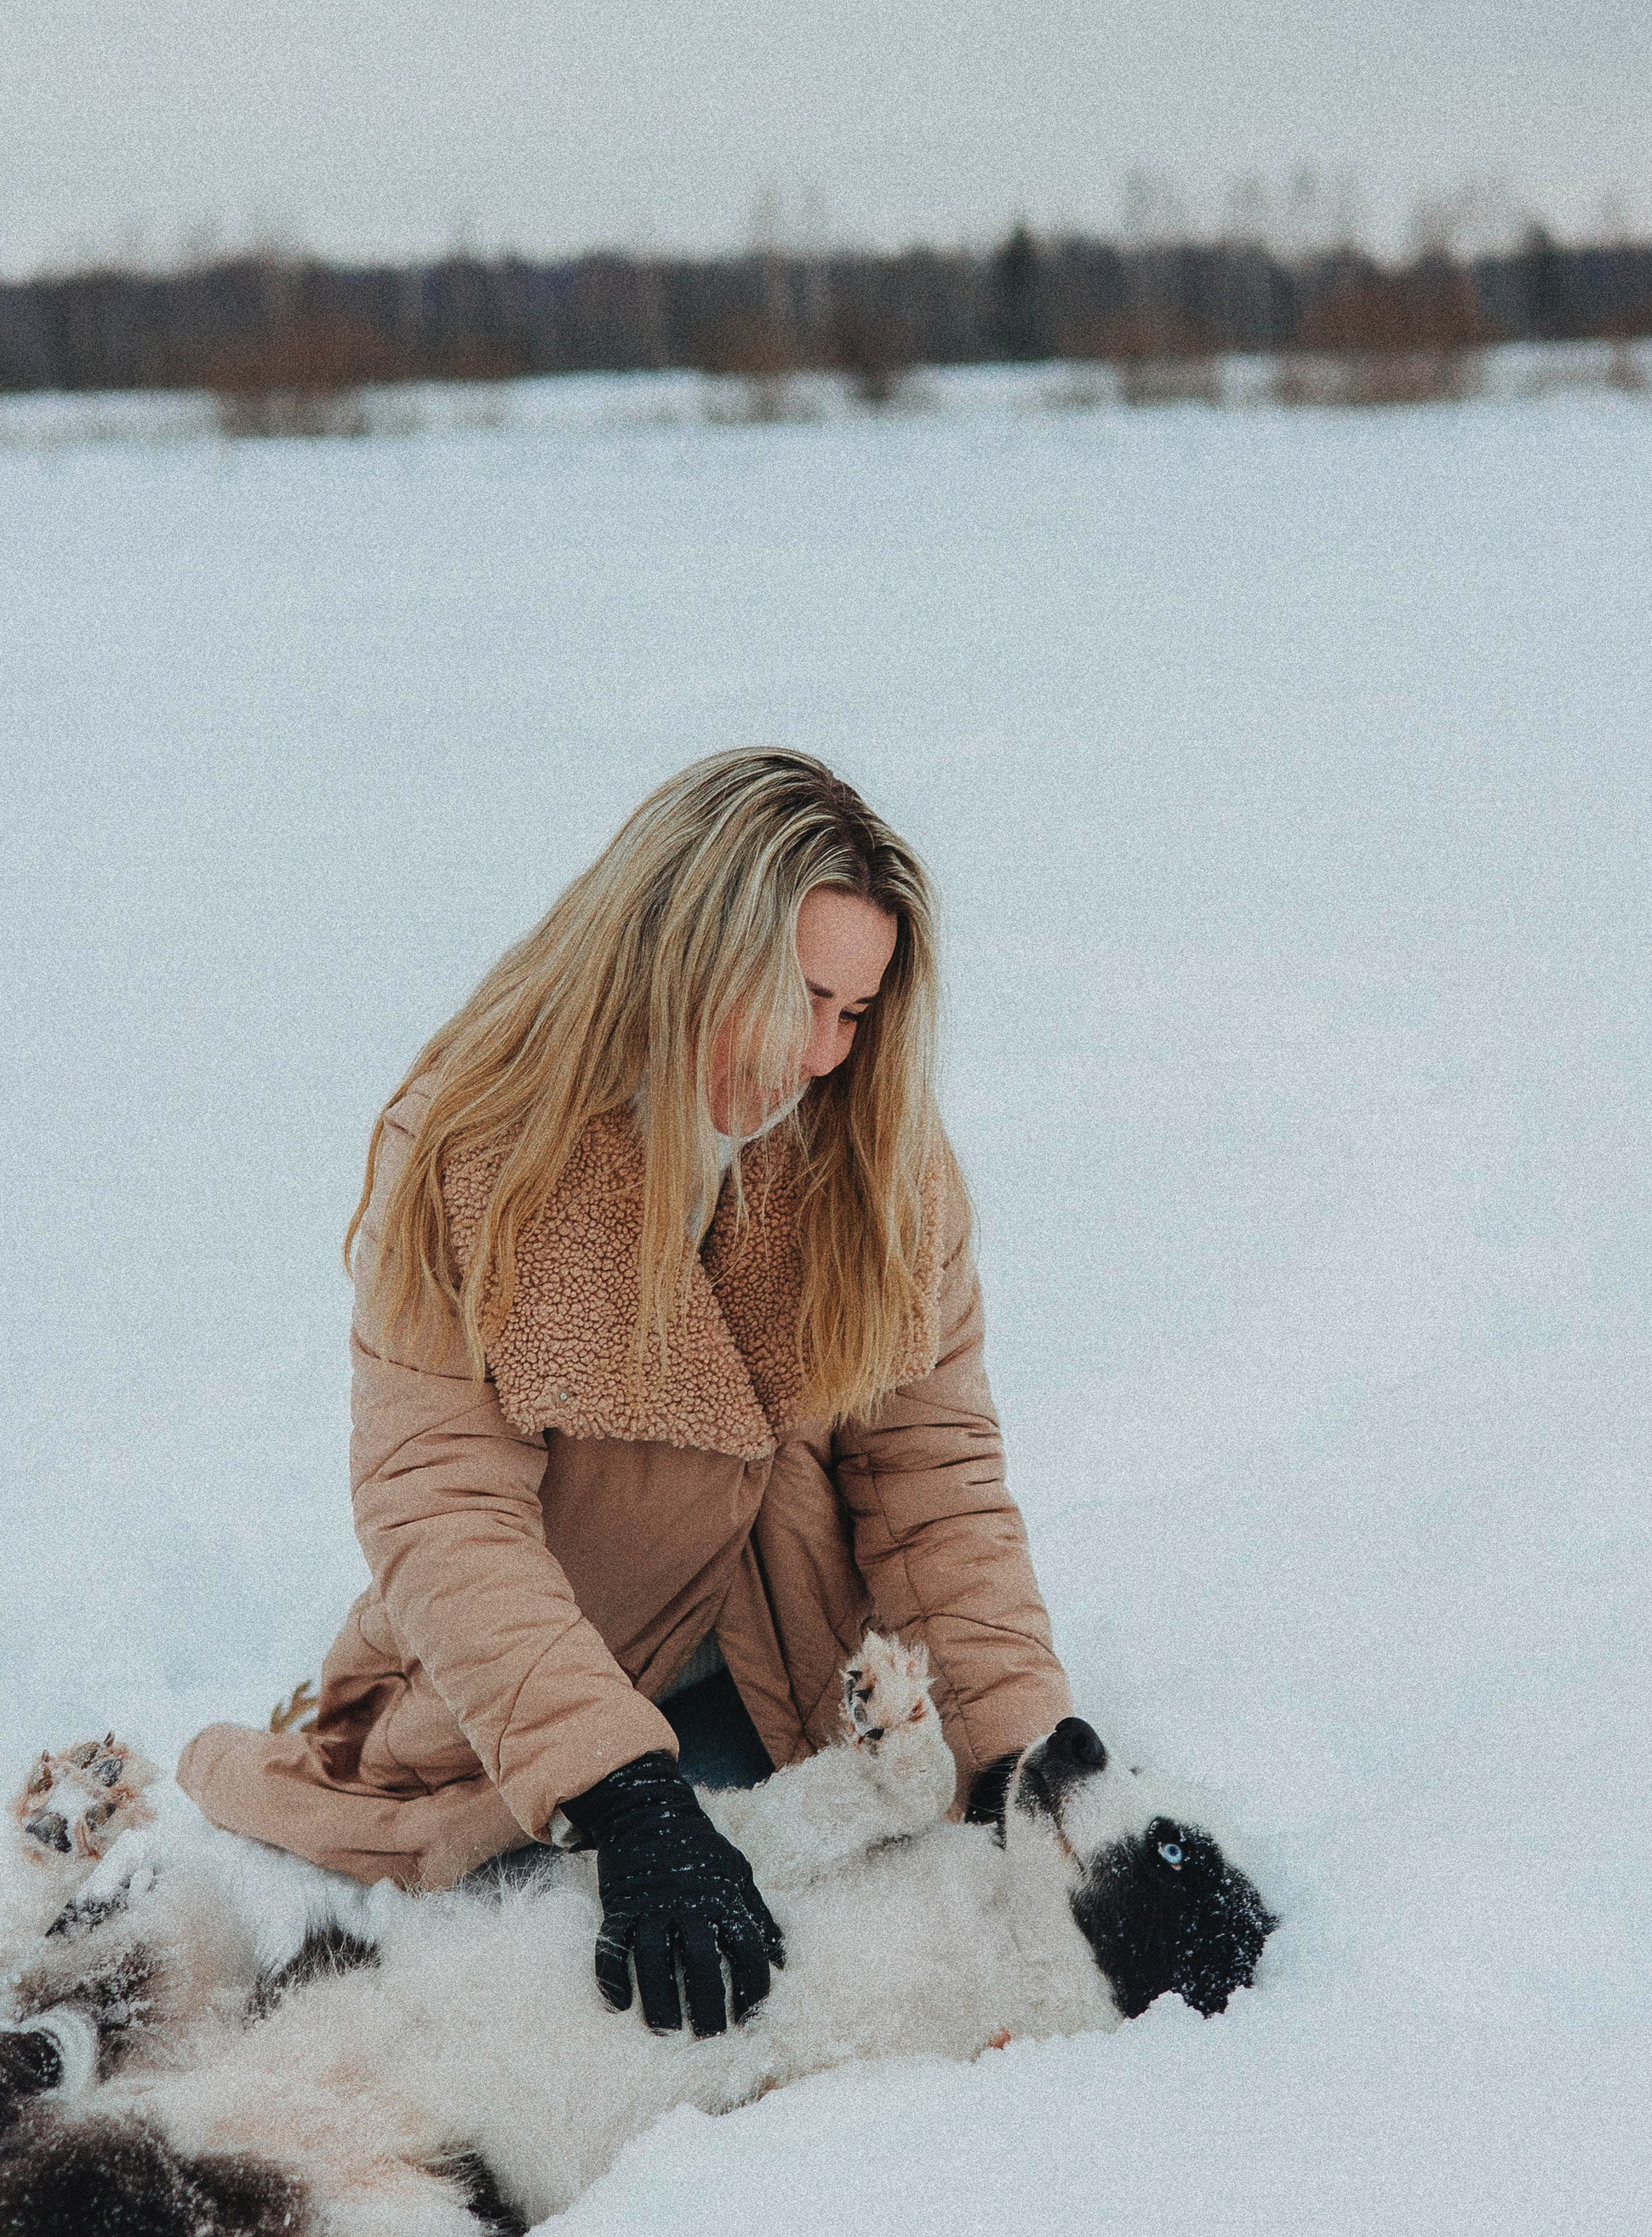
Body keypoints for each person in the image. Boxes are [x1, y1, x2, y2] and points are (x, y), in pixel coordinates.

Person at [178, 749, 1077, 2038]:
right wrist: (620, 1792)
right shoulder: (475, 1149)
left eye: (856, 1013)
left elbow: (934, 1481)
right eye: (800, 998)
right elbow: (442, 1505)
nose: (825, 1056)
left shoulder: (879, 1159)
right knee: (520, 1976)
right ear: (686, 951)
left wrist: (1028, 1767)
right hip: (552, 1713)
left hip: (797, 1687)